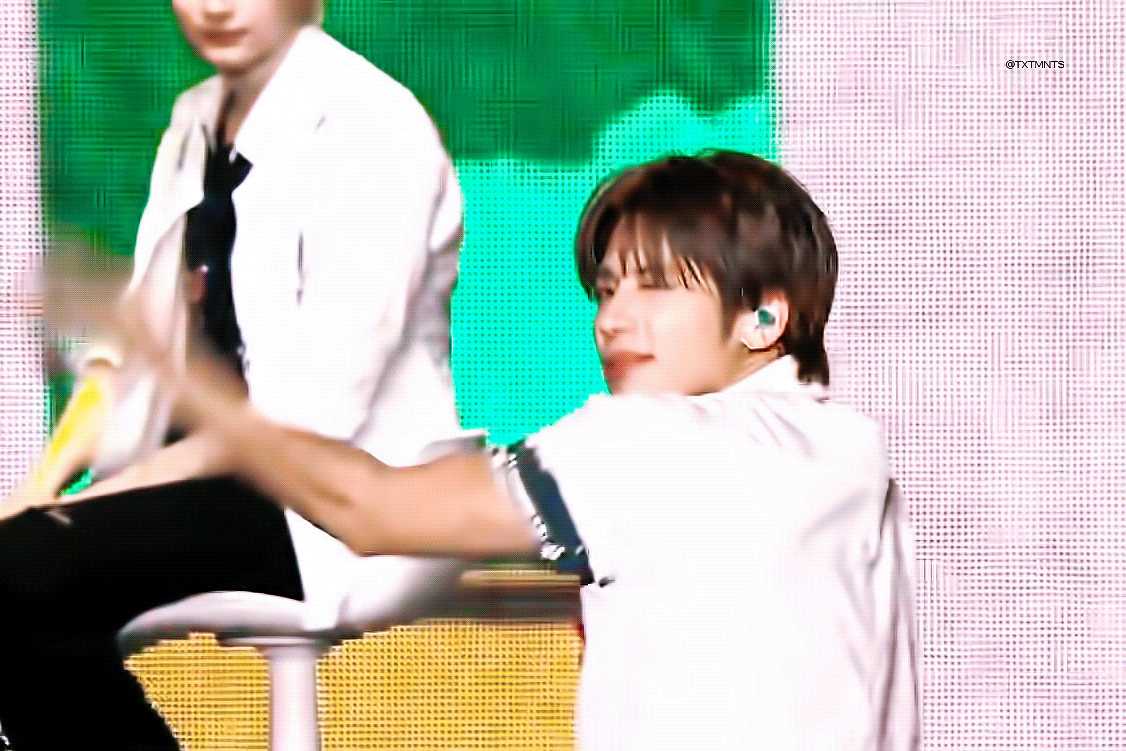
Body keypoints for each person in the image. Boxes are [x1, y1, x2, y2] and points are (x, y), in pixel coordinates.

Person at [123, 151, 921, 750]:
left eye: (655, 284)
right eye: (607, 289)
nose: (612, 319)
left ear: (764, 317)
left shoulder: (645, 442)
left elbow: (370, 511)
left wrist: (199, 387)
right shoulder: (854, 456)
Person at [0, 0, 470, 747]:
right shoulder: (194, 121)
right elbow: (132, 353)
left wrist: (100, 497)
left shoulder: (375, 128)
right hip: (206, 476)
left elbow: (308, 408)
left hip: (332, 492)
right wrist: (44, 485)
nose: (216, 5)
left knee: (22, 570)